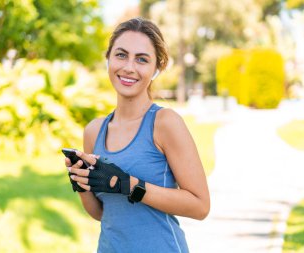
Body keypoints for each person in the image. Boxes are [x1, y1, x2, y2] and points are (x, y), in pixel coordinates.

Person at [65, 17, 210, 253]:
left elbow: (200, 206)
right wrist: (81, 184)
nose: (129, 67)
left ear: (156, 69)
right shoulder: (94, 131)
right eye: (121, 55)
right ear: (108, 59)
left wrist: (130, 185)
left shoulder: (165, 123)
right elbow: (103, 213)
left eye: (142, 59)